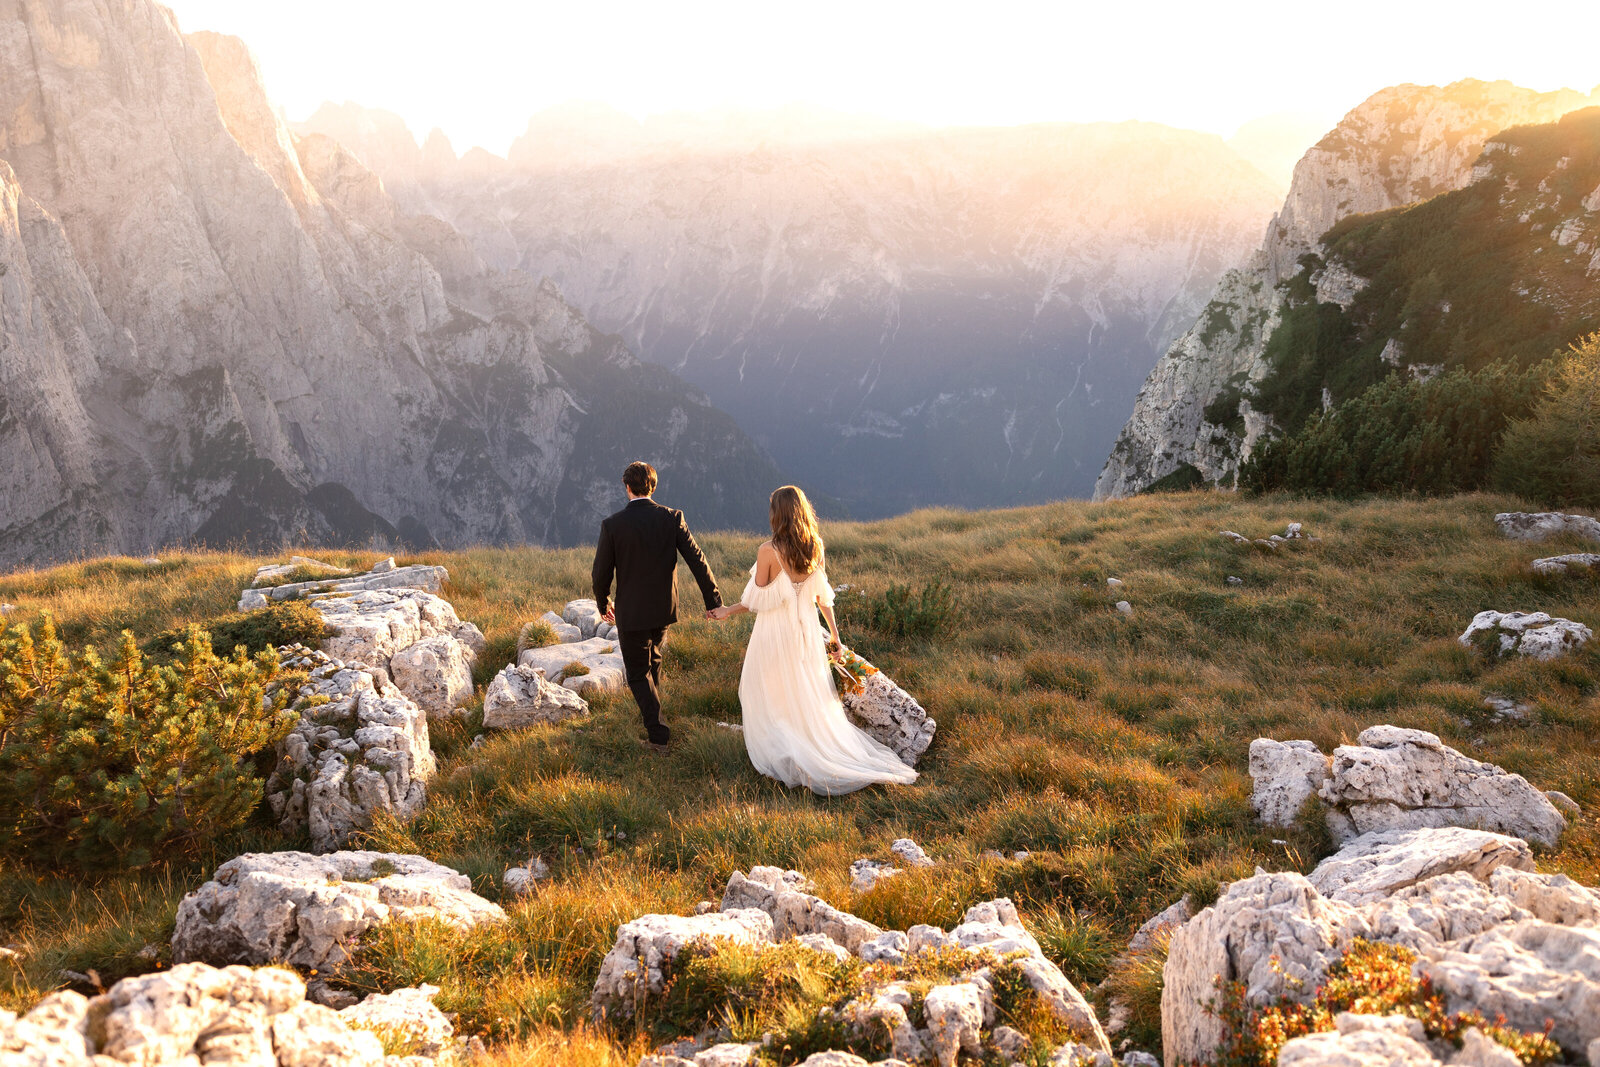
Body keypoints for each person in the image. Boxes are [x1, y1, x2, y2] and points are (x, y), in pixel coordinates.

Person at [709, 486, 917, 795]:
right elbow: (823, 598)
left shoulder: (768, 550)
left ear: (777, 513)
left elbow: (756, 601)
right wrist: (835, 635)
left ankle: (786, 750)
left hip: (774, 631)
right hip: (806, 630)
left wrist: (727, 610)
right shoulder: (815, 546)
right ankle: (806, 743)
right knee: (805, 689)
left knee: (767, 688)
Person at [592, 461, 723, 753]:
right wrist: (713, 601)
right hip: (664, 608)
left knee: (638, 672)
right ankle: (656, 714)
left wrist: (604, 603)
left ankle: (658, 735)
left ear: (627, 488)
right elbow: (697, 560)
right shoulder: (672, 518)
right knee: (653, 660)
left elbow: (601, 572)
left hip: (632, 612)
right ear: (653, 486)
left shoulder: (613, 525)